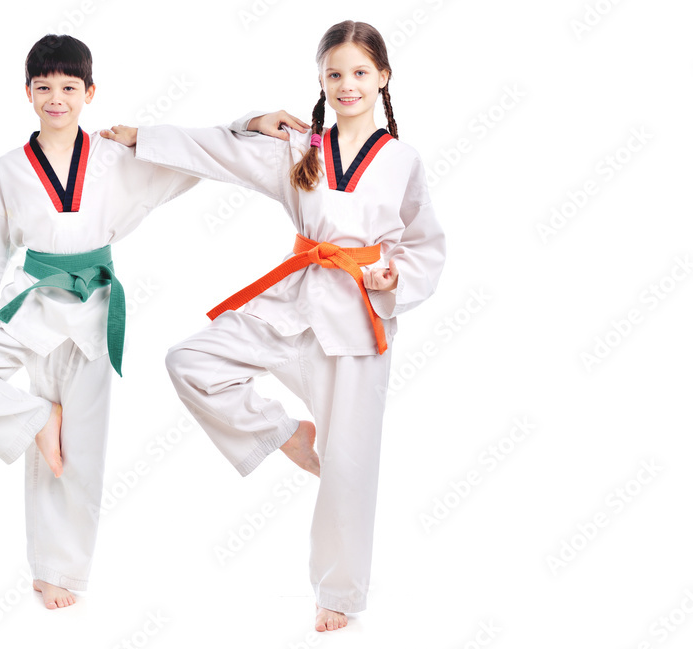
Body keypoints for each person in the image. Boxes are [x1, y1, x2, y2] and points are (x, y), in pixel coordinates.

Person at [100, 20, 445, 632]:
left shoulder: (402, 161)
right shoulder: (300, 148)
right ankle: (286, 435)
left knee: (350, 466)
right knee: (191, 362)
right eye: (335, 73)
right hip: (293, 304)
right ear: (321, 80)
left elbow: (424, 243)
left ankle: (337, 595)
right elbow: (220, 151)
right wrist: (147, 137)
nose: (347, 84)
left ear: (383, 78)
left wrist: (395, 277)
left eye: (360, 72)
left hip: (358, 322)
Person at [0, 34, 197, 610]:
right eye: (44, 87)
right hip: (32, 303)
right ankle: (36, 415)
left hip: (94, 308)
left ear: (90, 92)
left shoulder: (115, 157)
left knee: (79, 451)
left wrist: (250, 127)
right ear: (28, 92)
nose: (56, 98)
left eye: (69, 87)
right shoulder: (9, 169)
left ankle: (57, 571)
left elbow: (191, 158)